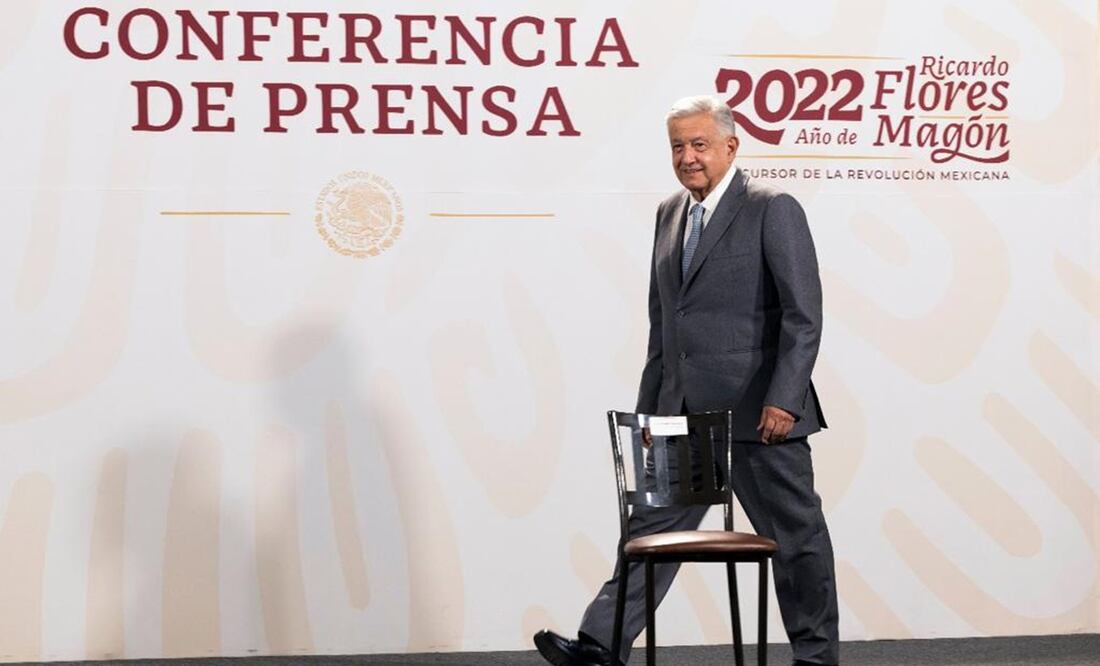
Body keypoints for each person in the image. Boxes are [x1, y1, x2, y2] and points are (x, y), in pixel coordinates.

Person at [534, 95, 839, 666]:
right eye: (678, 146)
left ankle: (816, 658)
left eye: (699, 144)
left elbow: (804, 316)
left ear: (731, 145)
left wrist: (785, 400)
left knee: (797, 542)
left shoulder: (772, 208)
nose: (687, 157)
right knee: (647, 536)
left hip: (760, 416)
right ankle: (600, 646)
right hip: (681, 415)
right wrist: (651, 412)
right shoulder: (670, 212)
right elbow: (665, 325)